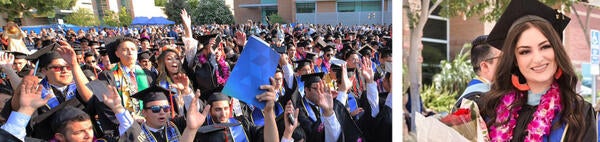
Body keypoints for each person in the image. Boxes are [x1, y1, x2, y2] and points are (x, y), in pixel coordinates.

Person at [480, 0, 596, 141]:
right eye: (525, 51)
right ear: (515, 60)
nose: (537, 59)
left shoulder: (579, 114)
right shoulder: (491, 110)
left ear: (556, 51)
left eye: (545, 47)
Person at [296, 72, 363, 142]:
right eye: (316, 88)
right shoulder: (300, 109)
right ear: (306, 90)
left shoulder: (330, 100)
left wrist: (349, 115)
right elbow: (313, 131)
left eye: (321, 88)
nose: (320, 92)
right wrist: (327, 112)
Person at [452, 35, 501, 111]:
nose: (507, 62)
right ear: (485, 66)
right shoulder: (476, 100)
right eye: (502, 59)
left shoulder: (480, 94)